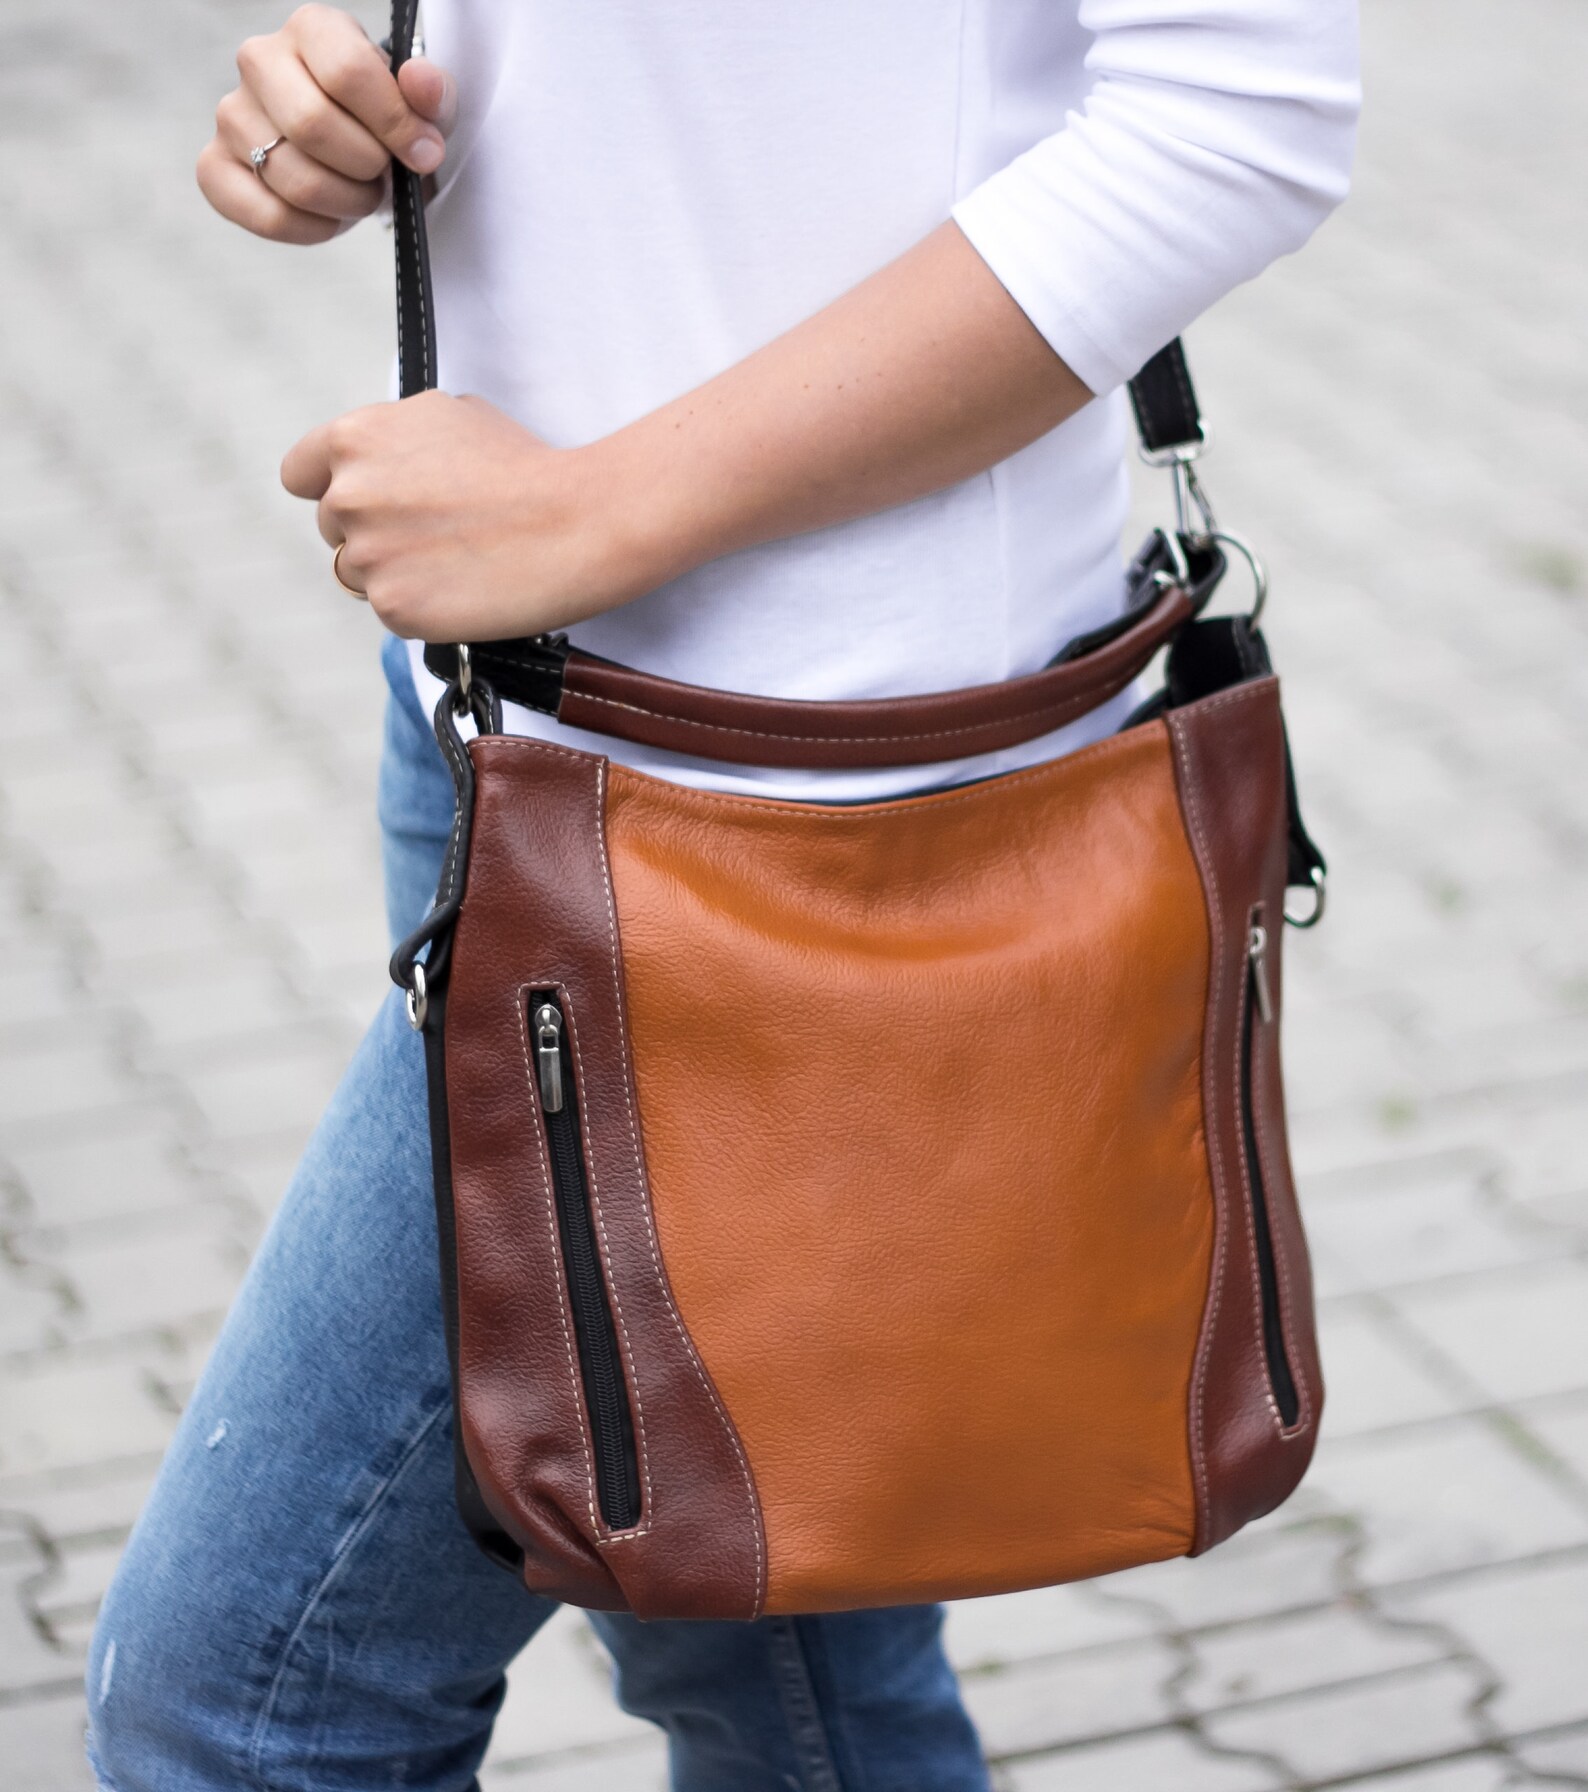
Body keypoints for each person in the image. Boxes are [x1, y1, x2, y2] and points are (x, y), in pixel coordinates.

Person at [86, 2, 1359, 1786]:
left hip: (809, 803)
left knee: (249, 1709)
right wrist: (350, 102)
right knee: (765, 1632)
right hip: (504, 714)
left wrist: (607, 509)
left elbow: (1241, 113)